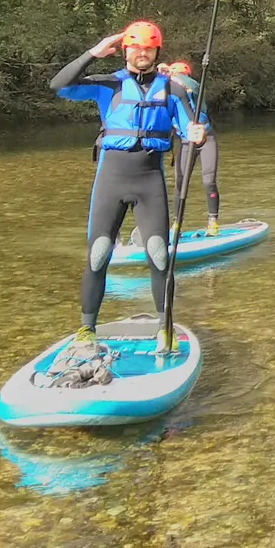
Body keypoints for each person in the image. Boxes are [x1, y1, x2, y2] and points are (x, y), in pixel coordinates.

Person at [49, 21, 206, 349]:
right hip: (111, 179)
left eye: (148, 48)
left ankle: (165, 326)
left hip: (150, 179)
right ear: (125, 51)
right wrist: (94, 52)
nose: (142, 53)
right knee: (98, 254)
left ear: (156, 51)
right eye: (135, 48)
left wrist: (196, 135)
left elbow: (190, 128)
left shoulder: (173, 90)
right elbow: (58, 84)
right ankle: (87, 329)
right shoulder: (108, 85)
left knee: (159, 255)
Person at [161, 60, 223, 236]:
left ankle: (213, 222)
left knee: (208, 181)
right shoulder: (171, 96)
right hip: (186, 142)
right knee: (181, 183)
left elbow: (187, 84)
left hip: (206, 139)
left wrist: (170, 75)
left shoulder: (194, 87)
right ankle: (177, 224)